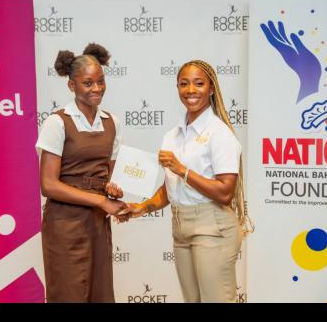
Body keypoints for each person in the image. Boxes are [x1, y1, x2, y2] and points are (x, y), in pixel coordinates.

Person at [127, 59, 253, 303]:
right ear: (177, 88)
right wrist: (142, 207)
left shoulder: (220, 134)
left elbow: (225, 192)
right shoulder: (172, 136)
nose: (191, 90)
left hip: (212, 228)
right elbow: (171, 188)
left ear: (212, 88)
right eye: (184, 84)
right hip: (181, 228)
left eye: (199, 83)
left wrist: (182, 169)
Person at [36, 43, 127, 303]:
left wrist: (112, 189)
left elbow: (109, 177)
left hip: (98, 223)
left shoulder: (112, 122)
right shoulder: (57, 122)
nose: (97, 89)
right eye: (88, 83)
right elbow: (49, 185)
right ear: (71, 85)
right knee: (68, 293)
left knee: (100, 294)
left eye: (101, 81)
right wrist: (100, 200)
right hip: (65, 223)